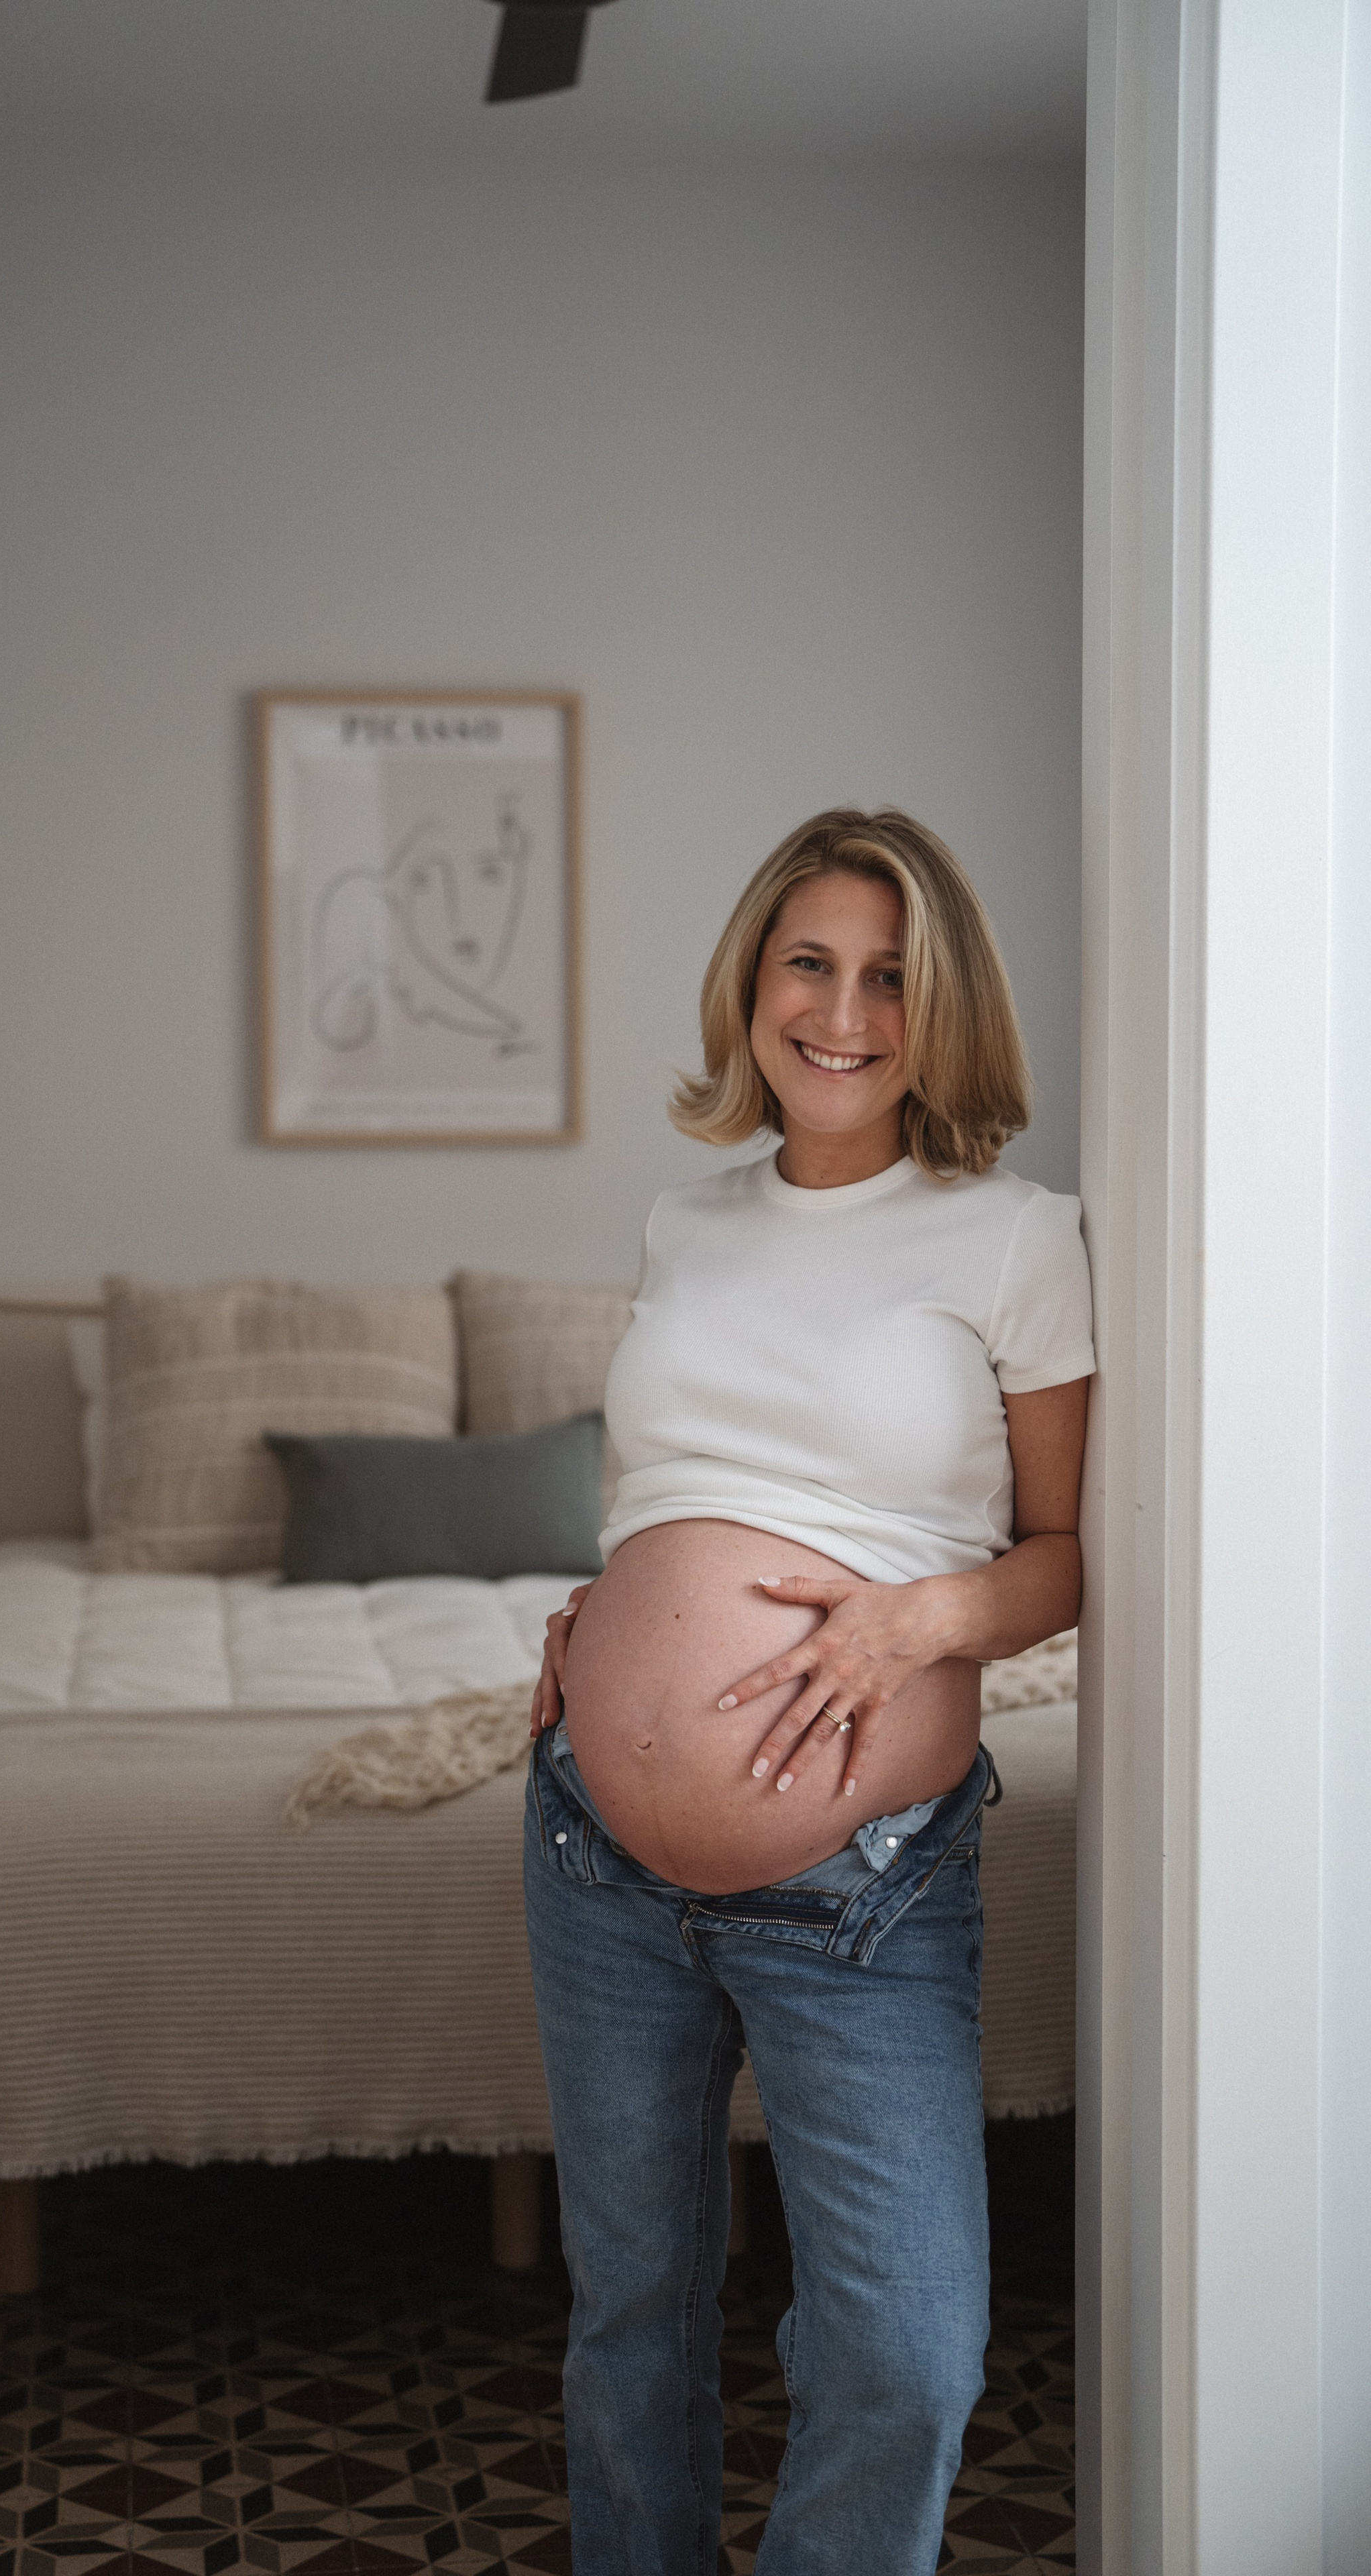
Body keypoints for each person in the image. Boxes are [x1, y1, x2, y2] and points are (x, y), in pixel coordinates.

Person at [523, 806, 1093, 2576]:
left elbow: (1075, 1554)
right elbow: (679, 1479)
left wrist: (908, 1628)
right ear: (754, 984)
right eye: (810, 963)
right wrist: (604, 1616)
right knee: (631, 2325)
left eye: (890, 979)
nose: (842, 1011)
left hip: (866, 1887)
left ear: (946, 1013)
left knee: (907, 2358)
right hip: (594, 1861)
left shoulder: (1016, 1236)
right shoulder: (684, 1218)